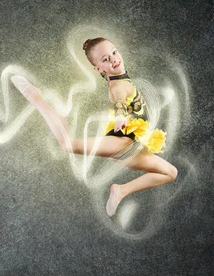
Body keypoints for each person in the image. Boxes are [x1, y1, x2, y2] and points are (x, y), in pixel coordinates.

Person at [10, 37, 177, 217]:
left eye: (114, 52)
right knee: (68, 144)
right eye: (105, 59)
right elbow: (119, 100)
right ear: (99, 69)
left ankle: (121, 191)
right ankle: (36, 98)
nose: (114, 59)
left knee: (170, 172)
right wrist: (121, 117)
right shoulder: (118, 86)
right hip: (122, 142)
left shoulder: (123, 79)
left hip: (131, 145)